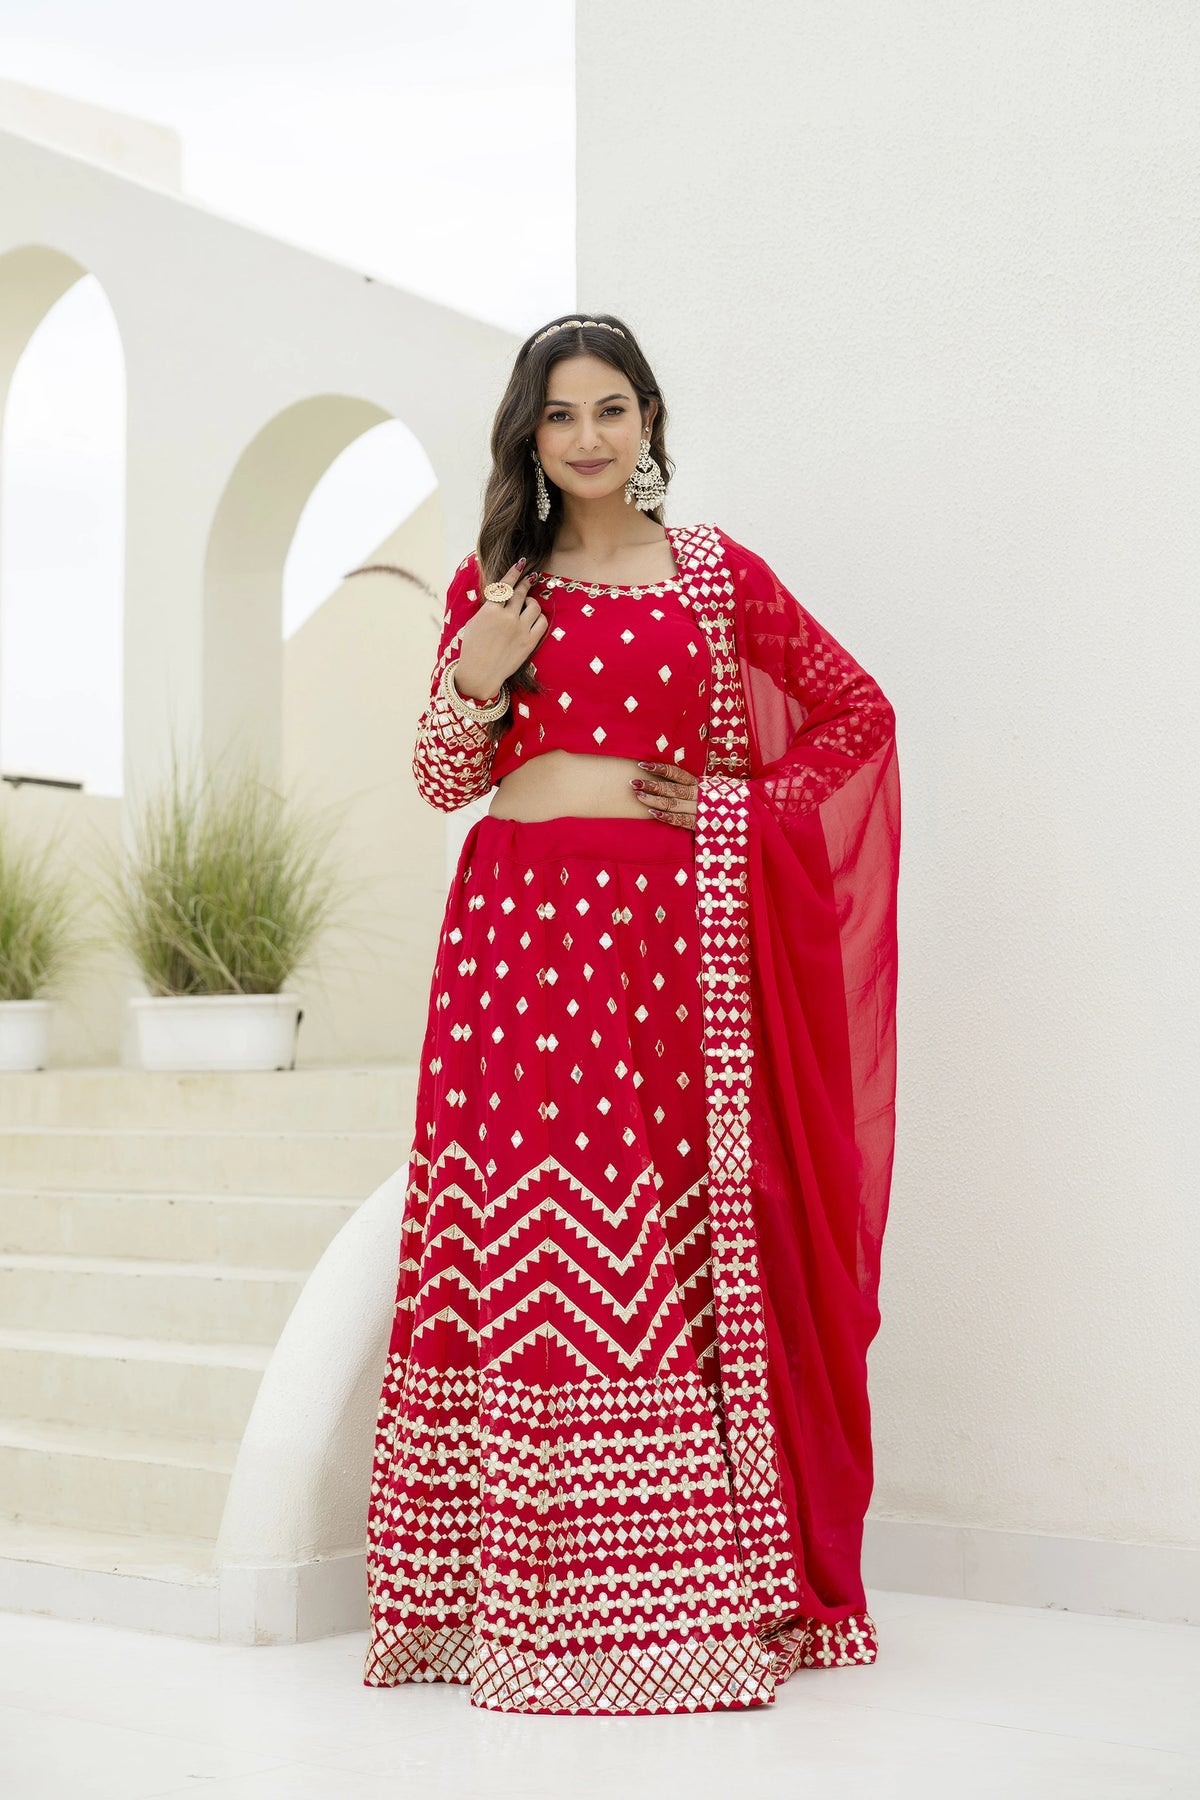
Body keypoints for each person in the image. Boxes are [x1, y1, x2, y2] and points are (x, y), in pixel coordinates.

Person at [361, 313, 901, 1716]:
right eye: (561, 417)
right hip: (515, 938)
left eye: (612, 410)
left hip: (666, 948)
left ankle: (669, 1590)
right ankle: (506, 1594)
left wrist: (737, 805)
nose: (589, 437)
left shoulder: (717, 578)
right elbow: (438, 777)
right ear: (528, 439)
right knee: (527, 1224)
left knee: (642, 1223)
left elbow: (856, 714)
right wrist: (478, 668)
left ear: (649, 421)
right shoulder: (501, 582)